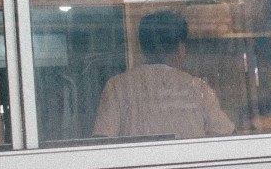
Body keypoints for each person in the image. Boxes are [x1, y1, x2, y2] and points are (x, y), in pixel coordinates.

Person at [92, 11, 236, 140]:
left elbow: (102, 141)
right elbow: (227, 135)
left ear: (143, 48)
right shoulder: (198, 88)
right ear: (180, 47)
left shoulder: (116, 86)